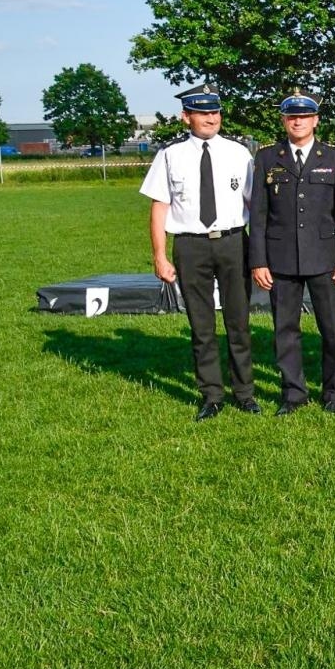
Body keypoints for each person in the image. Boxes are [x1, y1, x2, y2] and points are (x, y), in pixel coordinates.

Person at [140, 88, 260, 422]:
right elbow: (159, 207)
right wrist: (159, 256)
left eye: (215, 113)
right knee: (201, 325)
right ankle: (211, 394)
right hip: (191, 245)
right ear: (186, 116)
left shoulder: (239, 153)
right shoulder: (169, 155)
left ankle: (245, 393)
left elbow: (255, 206)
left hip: (234, 242)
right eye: (202, 112)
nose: (211, 119)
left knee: (238, 322)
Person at [249, 92, 335, 415]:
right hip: (280, 259)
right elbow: (258, 214)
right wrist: (259, 260)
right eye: (291, 116)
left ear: (316, 120)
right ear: (283, 120)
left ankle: (334, 392)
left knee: (332, 329)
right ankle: (293, 393)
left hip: (325, 258)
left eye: (305, 116)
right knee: (285, 330)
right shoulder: (267, 158)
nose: (298, 121)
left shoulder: (334, 158)